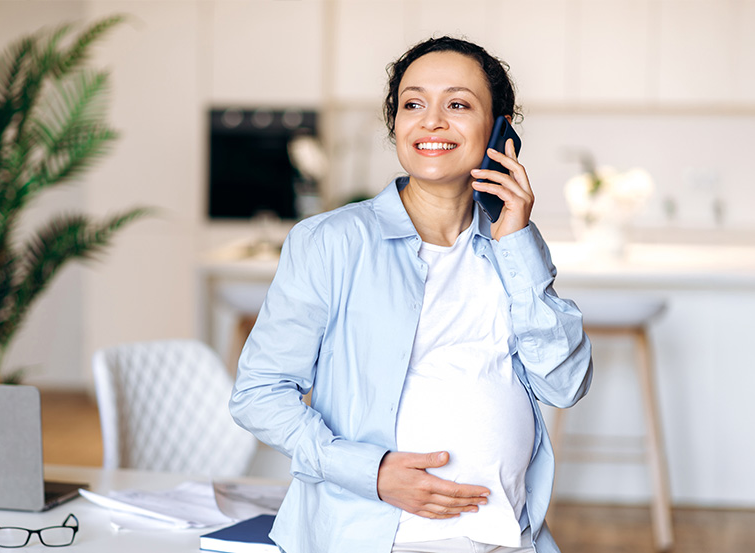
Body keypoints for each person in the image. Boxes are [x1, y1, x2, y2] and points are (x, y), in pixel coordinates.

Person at [230, 36, 593, 553]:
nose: (432, 122)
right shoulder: (329, 242)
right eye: (413, 104)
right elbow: (259, 394)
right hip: (377, 539)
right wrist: (371, 472)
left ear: (500, 130)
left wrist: (517, 242)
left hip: (510, 537)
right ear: (395, 123)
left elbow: (566, 384)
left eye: (459, 104)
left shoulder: (512, 245)